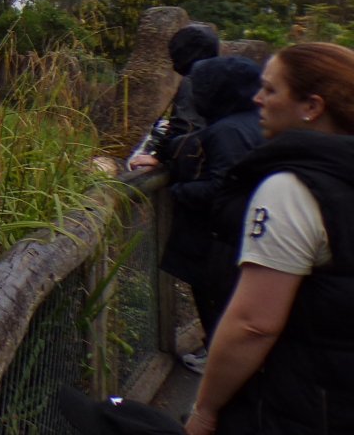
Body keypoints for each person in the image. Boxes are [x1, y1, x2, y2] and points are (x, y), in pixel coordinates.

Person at [184, 42, 354, 435]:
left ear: (312, 106)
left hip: (304, 405)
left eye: (271, 89)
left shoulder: (292, 189)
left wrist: (205, 409)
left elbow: (254, 324)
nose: (257, 99)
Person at [158, 56, 263, 371]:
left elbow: (223, 185)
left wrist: (178, 190)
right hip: (240, 233)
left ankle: (220, 358)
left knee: (216, 296)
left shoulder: (227, 131)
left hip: (220, 236)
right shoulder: (251, 122)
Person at [128, 24, 221, 171]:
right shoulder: (223, 76)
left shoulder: (194, 81)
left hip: (200, 170)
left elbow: (186, 126)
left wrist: (159, 157)